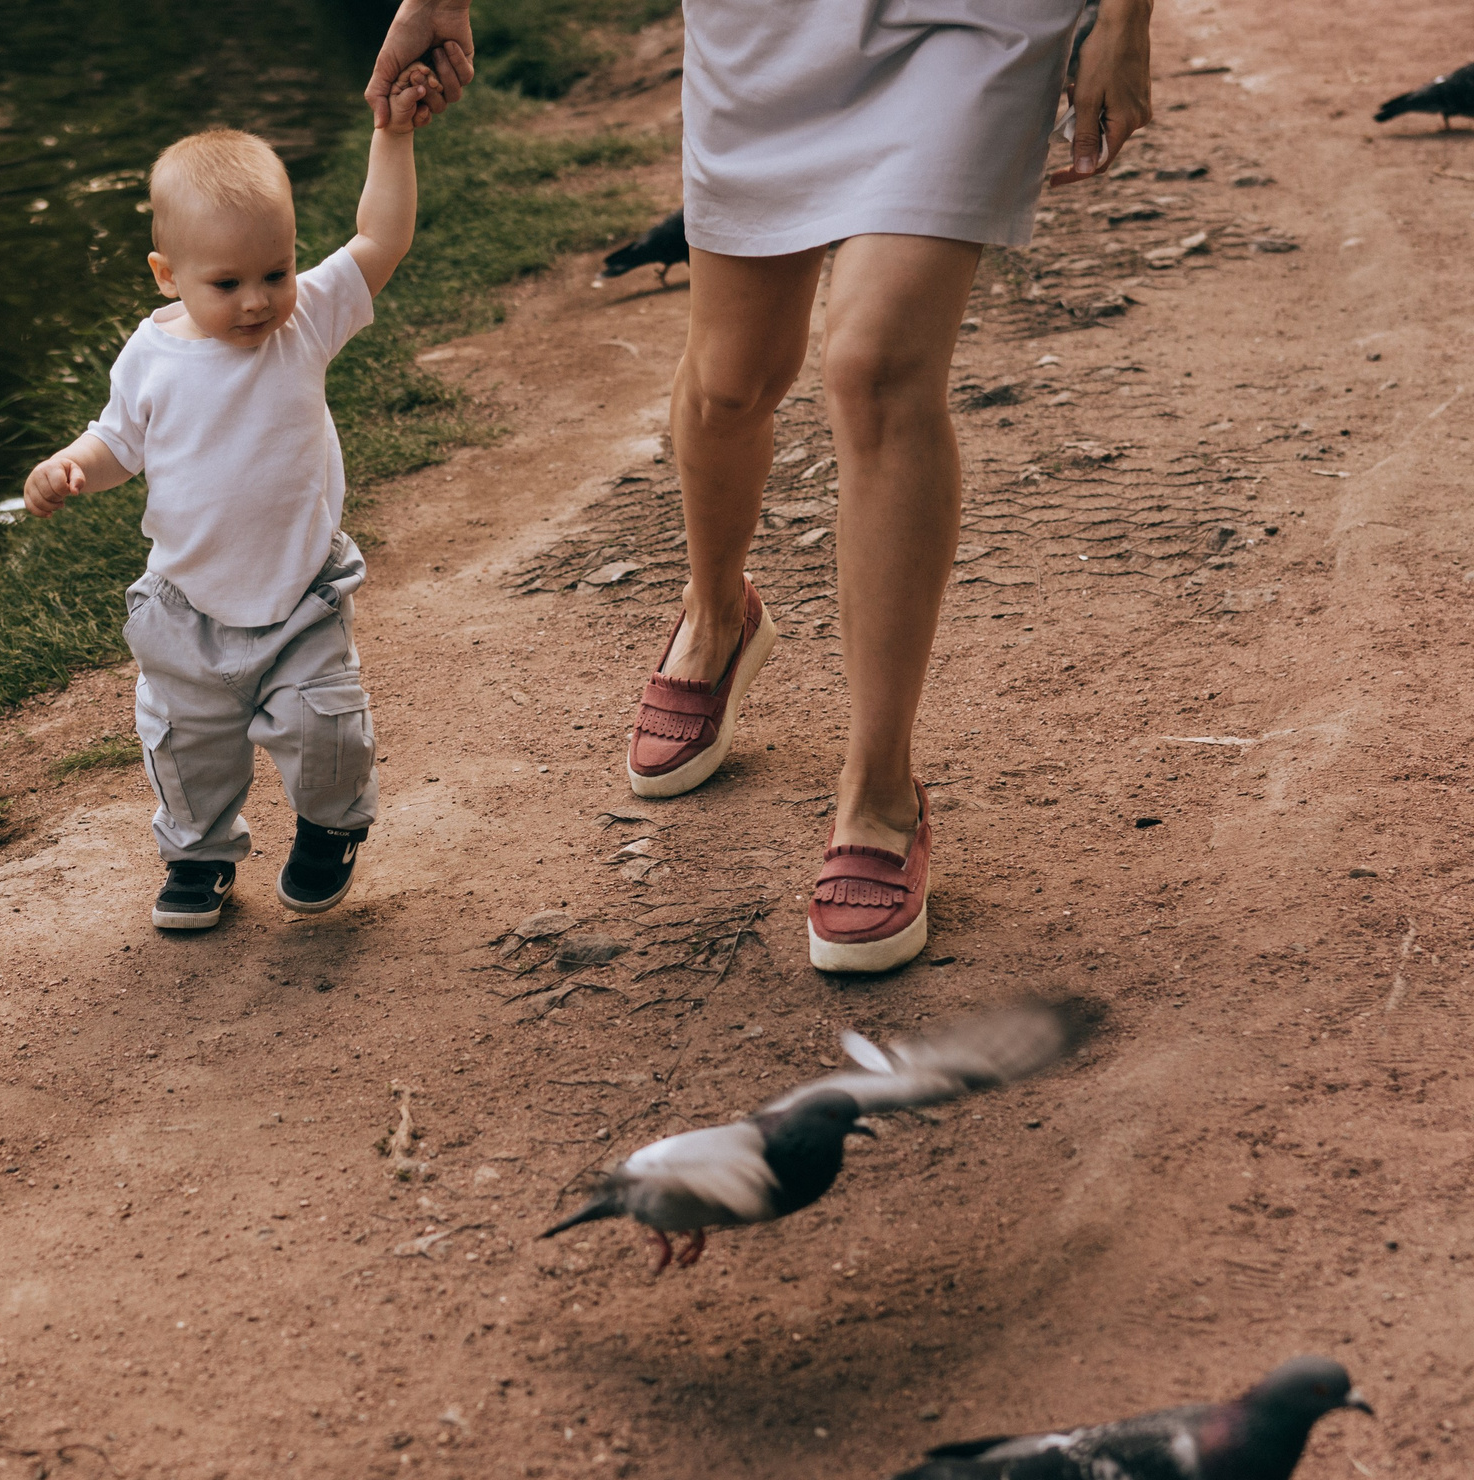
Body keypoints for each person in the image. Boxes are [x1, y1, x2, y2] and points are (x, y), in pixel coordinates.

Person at [366, 0, 1152, 973]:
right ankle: (716, 615)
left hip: (971, 20)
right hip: (767, 27)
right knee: (732, 382)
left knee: (874, 369)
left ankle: (878, 791)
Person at [23, 72, 435, 931]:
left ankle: (330, 824)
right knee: (187, 746)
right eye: (226, 283)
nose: (256, 300)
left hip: (299, 594)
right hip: (187, 605)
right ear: (168, 275)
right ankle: (199, 854)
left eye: (274, 271)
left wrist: (391, 135)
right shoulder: (150, 355)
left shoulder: (307, 319)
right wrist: (71, 464)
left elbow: (380, 239)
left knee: (324, 732)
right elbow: (118, 446)